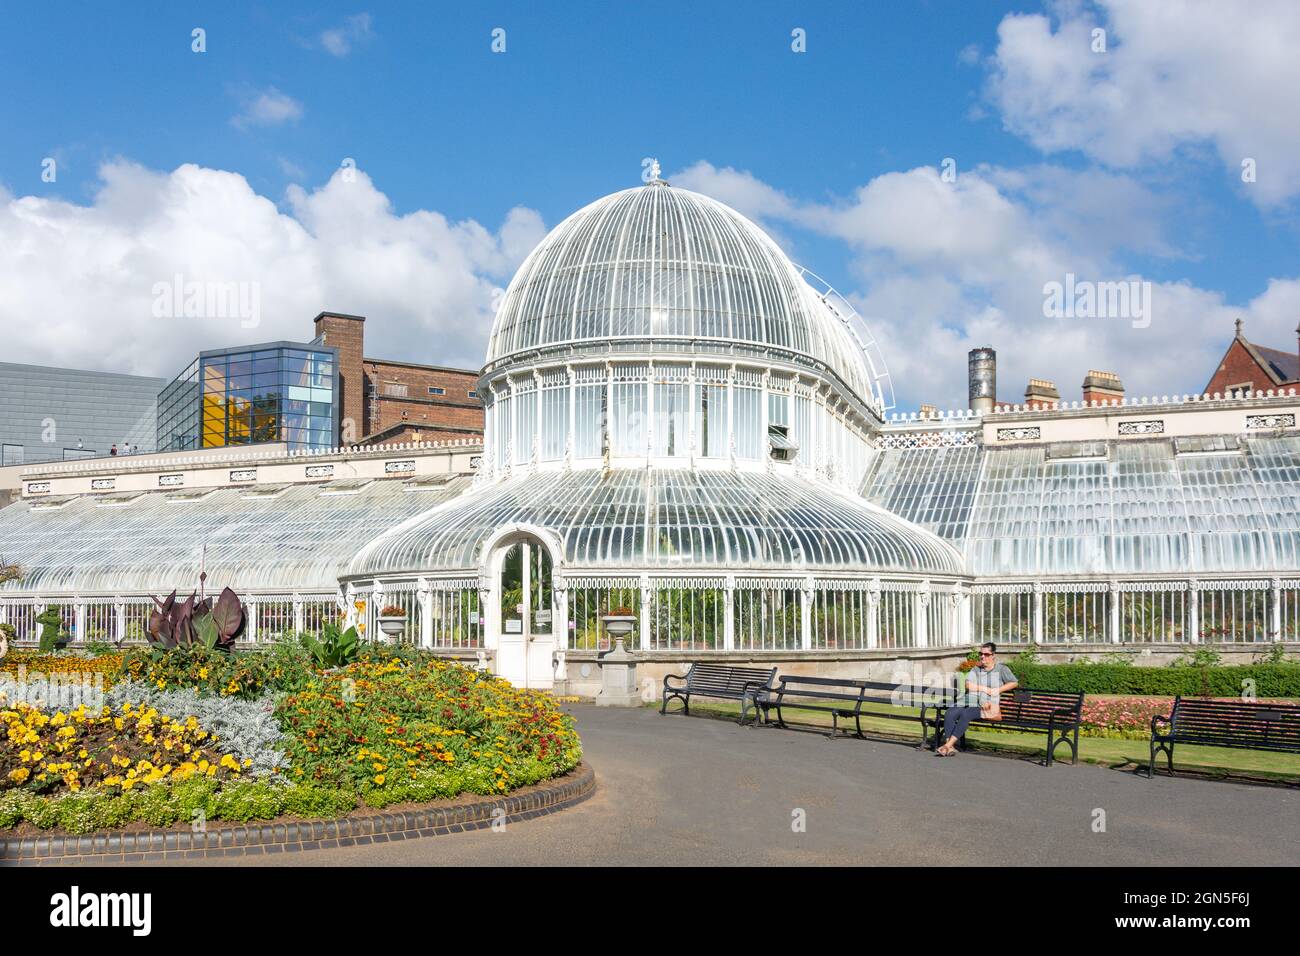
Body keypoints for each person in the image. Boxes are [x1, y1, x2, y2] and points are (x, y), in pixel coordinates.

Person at [936, 642, 1018, 756]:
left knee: (966, 714)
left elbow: (1014, 683)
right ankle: (950, 747)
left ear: (993, 655)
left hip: (988, 705)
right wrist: (985, 689)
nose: (982, 656)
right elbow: (969, 685)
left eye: (986, 654)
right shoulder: (976, 668)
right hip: (969, 701)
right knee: (950, 713)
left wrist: (998, 690)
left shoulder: (1001, 669)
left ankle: (947, 746)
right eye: (981, 653)